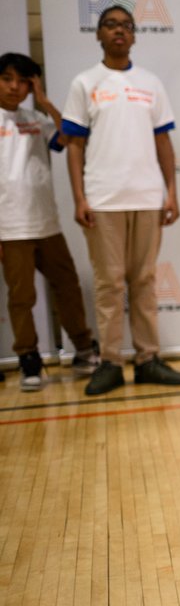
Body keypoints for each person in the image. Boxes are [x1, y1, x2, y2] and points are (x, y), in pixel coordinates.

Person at [62, 4, 180, 395]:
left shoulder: (150, 83)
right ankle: (112, 362)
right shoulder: (85, 83)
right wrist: (80, 198)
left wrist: (172, 192)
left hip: (148, 198)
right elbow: (74, 146)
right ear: (98, 34)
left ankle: (148, 359)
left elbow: (163, 141)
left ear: (134, 36)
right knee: (108, 284)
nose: (119, 31)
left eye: (125, 26)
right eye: (110, 25)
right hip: (102, 200)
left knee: (145, 281)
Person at [0, 53, 98, 391]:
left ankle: (84, 349)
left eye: (24, 81)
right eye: (8, 78)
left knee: (67, 287)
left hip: (48, 224)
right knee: (22, 296)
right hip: (9, 228)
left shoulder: (36, 118)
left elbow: (68, 137)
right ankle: (29, 358)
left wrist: (45, 102)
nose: (15, 87)